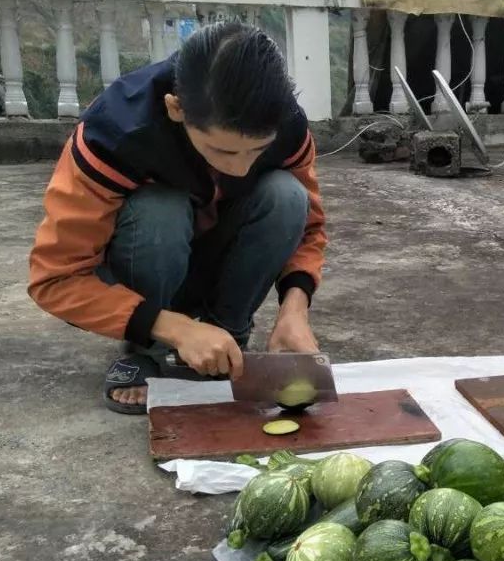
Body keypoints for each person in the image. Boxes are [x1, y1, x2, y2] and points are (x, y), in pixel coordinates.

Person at [28, 23, 325, 414]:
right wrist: (175, 327)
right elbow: (55, 279)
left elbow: (309, 229)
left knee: (287, 196)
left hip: (222, 259)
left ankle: (228, 333)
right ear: (175, 108)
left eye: (256, 151)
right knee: (159, 209)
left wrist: (294, 307)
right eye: (222, 151)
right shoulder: (114, 136)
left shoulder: (285, 126)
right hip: (144, 265)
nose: (240, 170)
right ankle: (149, 347)